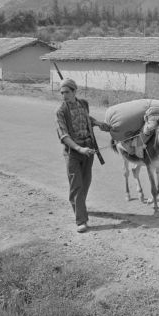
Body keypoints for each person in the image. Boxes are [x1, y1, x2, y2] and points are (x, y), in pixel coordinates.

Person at [55, 78, 110, 233]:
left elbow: (85, 118)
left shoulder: (83, 104)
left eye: (66, 92)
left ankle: (80, 207)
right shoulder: (60, 111)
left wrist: (98, 123)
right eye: (62, 93)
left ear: (74, 91)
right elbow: (63, 135)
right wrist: (79, 149)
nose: (63, 95)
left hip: (89, 149)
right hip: (73, 151)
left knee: (85, 183)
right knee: (77, 186)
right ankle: (81, 220)